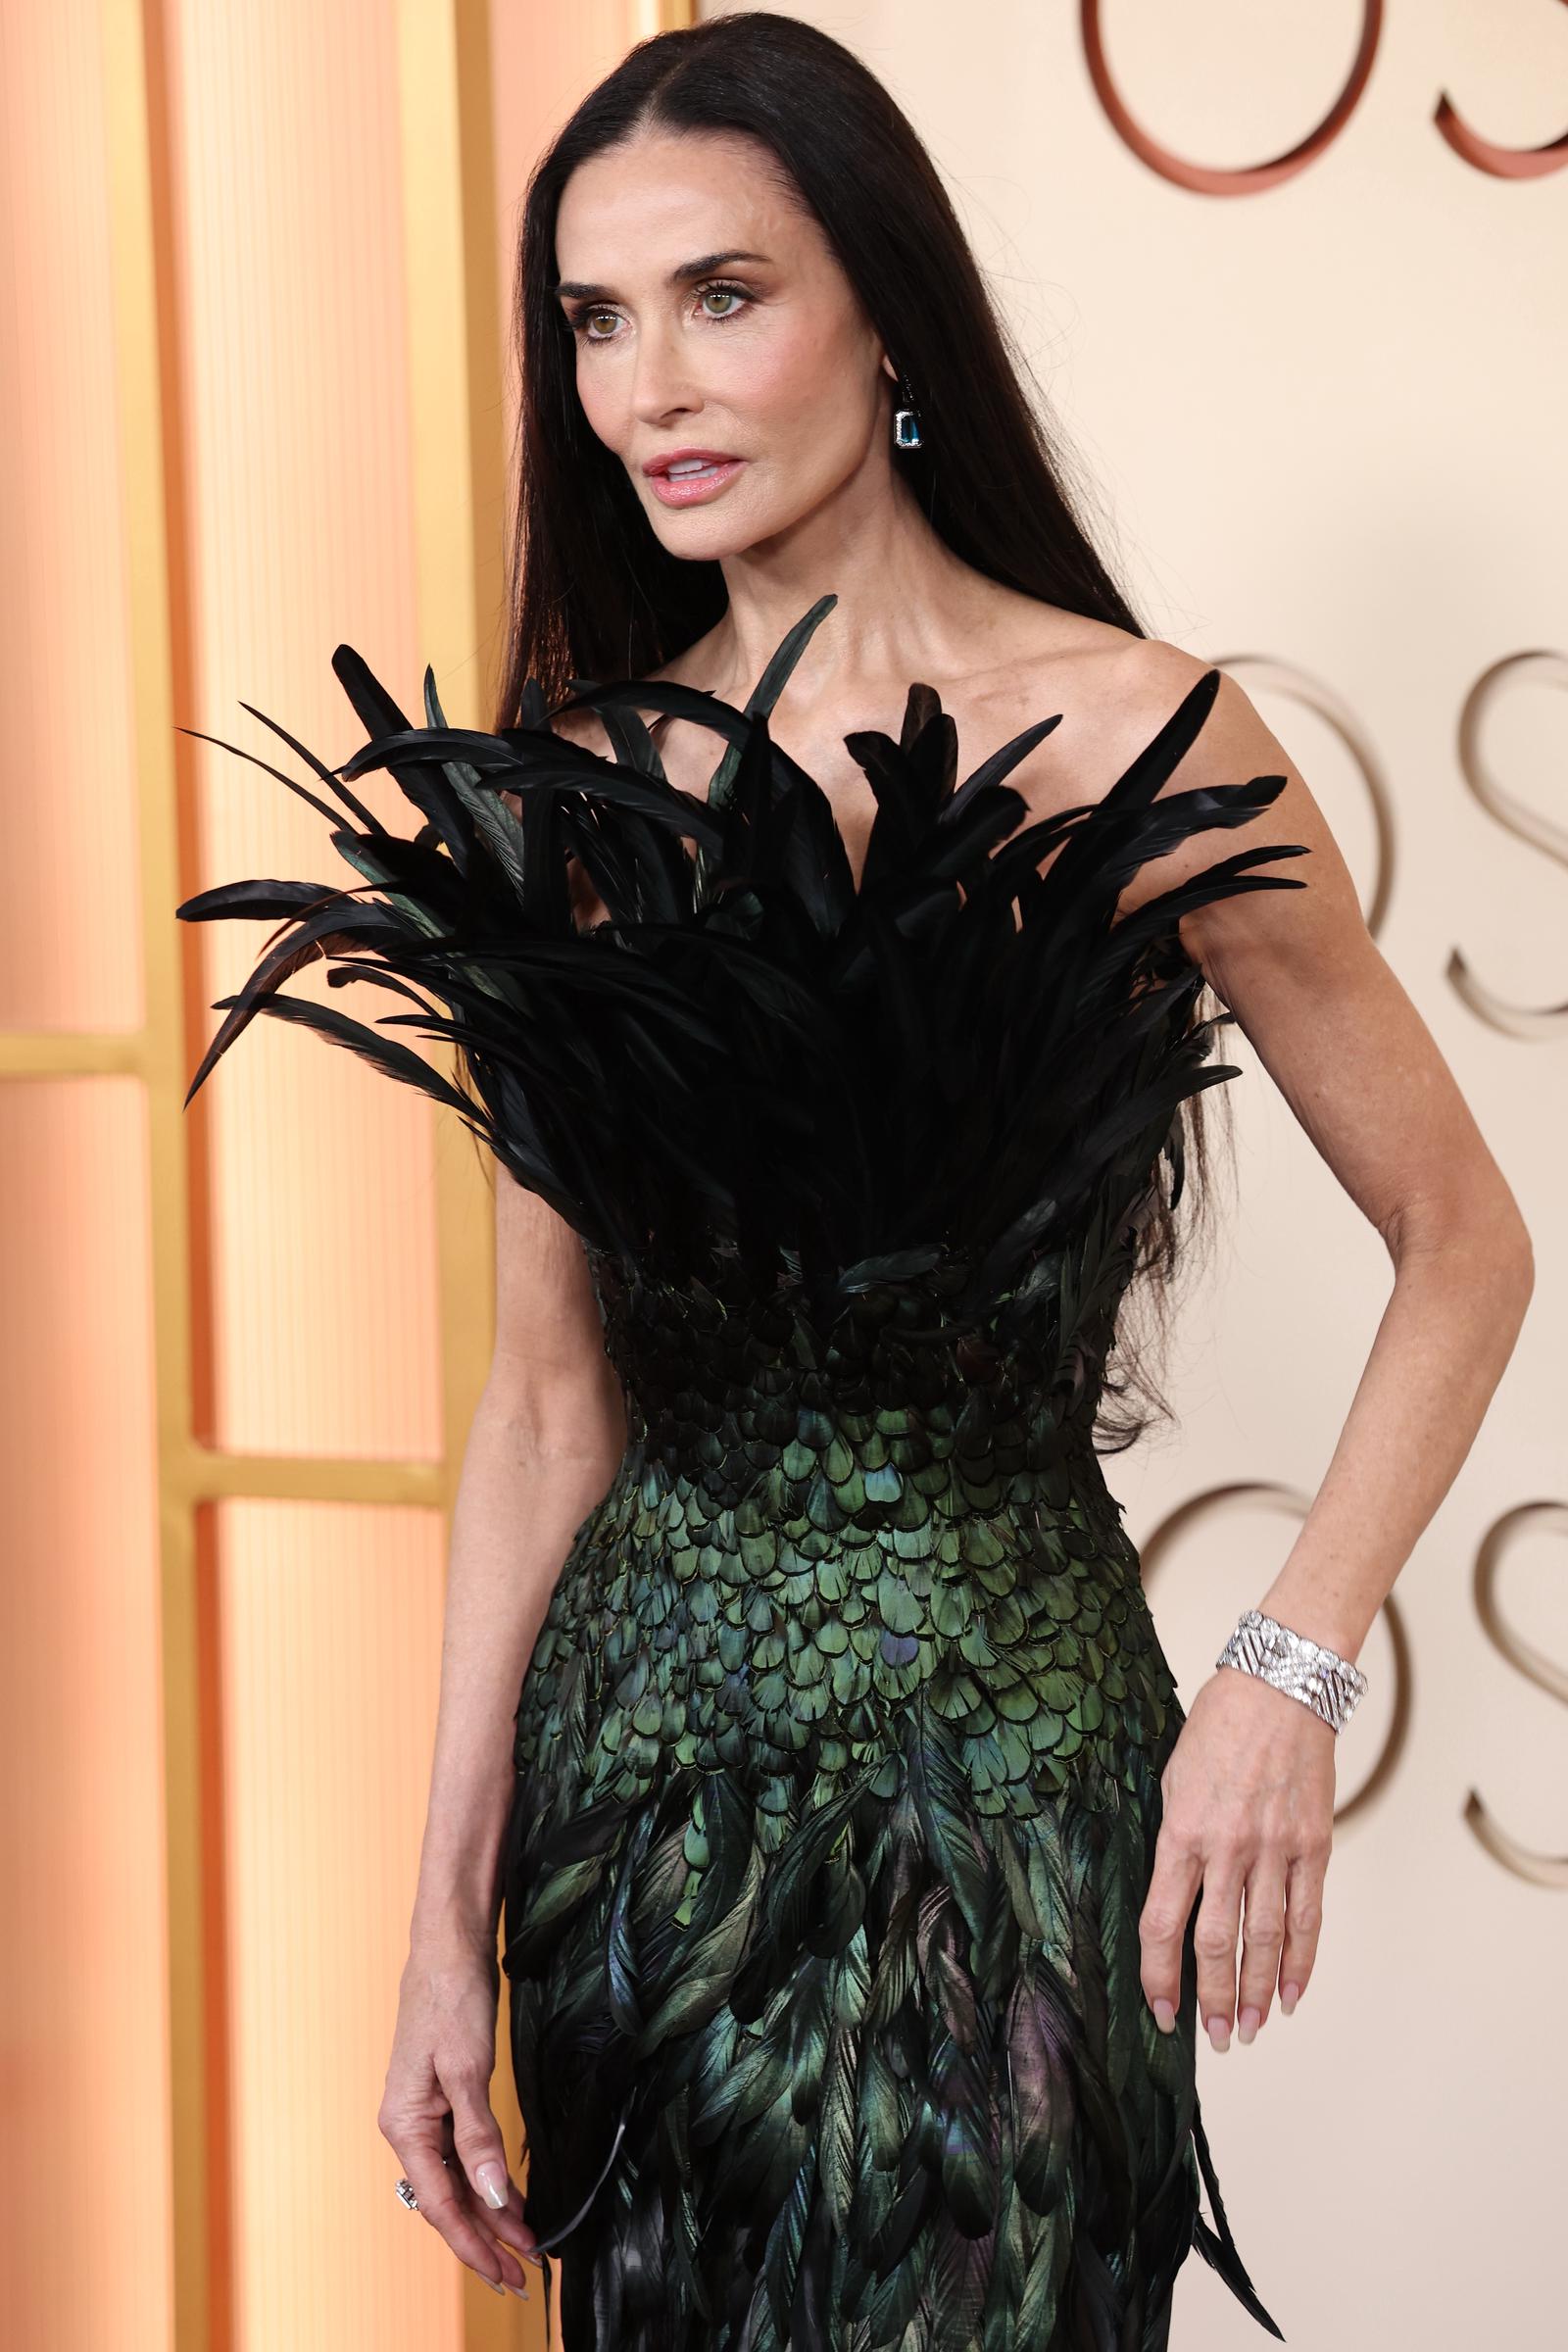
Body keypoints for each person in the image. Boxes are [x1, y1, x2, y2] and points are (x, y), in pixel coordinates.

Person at [178, 12, 1533, 2347]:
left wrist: (1285, 1673)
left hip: (1010, 1779)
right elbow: (544, 1406)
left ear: (885, 312)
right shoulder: (572, 804)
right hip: (644, 1808)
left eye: (722, 296)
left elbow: (1463, 1242)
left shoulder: (1130, 735)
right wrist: (434, 1924)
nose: (646, 391)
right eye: (595, 321)